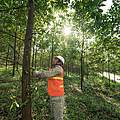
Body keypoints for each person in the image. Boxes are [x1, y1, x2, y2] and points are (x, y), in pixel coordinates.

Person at [33, 56, 65, 120]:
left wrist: (37, 73)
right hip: (53, 95)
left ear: (59, 62)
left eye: (55, 59)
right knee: (53, 115)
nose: (53, 60)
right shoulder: (55, 69)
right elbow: (48, 74)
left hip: (58, 96)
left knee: (58, 117)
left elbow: (47, 74)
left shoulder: (58, 69)